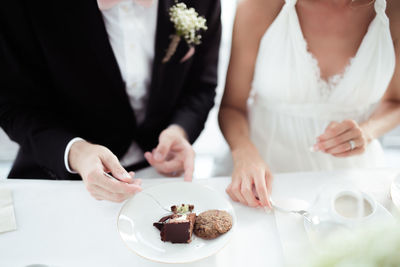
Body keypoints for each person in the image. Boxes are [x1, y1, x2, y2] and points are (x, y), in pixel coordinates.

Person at [0, 0, 221, 202]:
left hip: (163, 174)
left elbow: (201, 86)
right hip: (61, 175)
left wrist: (179, 130)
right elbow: (14, 104)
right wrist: (76, 152)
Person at [219, 0, 400, 207]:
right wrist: (244, 152)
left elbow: (396, 102)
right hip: (263, 179)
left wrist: (367, 132)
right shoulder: (260, 6)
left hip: (354, 182)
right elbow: (231, 107)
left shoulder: (395, 10)